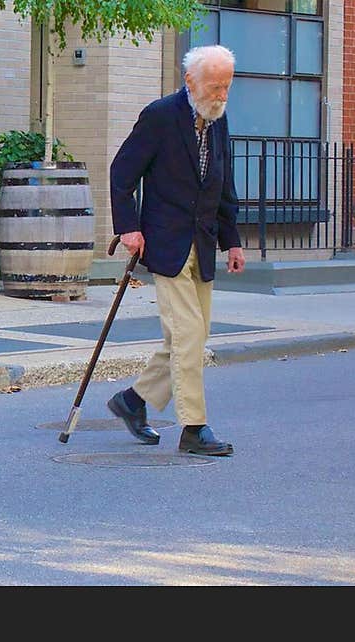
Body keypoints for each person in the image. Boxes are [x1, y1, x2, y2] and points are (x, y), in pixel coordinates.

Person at [107, 44, 246, 456]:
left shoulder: (218, 121)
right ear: (190, 82)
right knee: (188, 334)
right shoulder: (161, 116)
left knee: (193, 337)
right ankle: (193, 428)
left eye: (227, 87)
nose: (222, 95)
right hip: (166, 243)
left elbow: (223, 184)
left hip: (202, 244)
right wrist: (128, 227)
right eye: (215, 87)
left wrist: (232, 239)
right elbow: (121, 173)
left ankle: (132, 401)